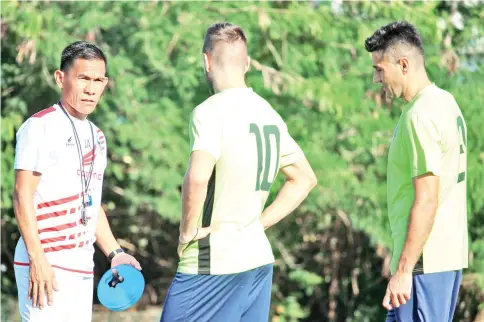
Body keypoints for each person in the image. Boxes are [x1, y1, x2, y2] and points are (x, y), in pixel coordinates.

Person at [159, 22, 317, 322]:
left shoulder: (209, 111)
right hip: (257, 261)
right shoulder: (268, 113)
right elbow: (304, 179)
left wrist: (186, 233)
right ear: (246, 63)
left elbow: (197, 177)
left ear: (206, 60)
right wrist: (258, 224)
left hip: (212, 261)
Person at [13, 41, 141, 322]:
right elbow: (22, 196)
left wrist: (115, 252)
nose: (91, 89)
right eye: (83, 78)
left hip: (81, 267)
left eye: (98, 80)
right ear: (61, 78)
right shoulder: (40, 126)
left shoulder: (97, 136)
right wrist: (38, 260)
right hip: (45, 264)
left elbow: (91, 204)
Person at [364, 21, 468, 321]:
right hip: (442, 260)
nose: (376, 79)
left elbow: (427, 199)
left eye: (380, 69)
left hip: (424, 263)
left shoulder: (420, 116)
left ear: (403, 64)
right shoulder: (445, 102)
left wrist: (404, 270)